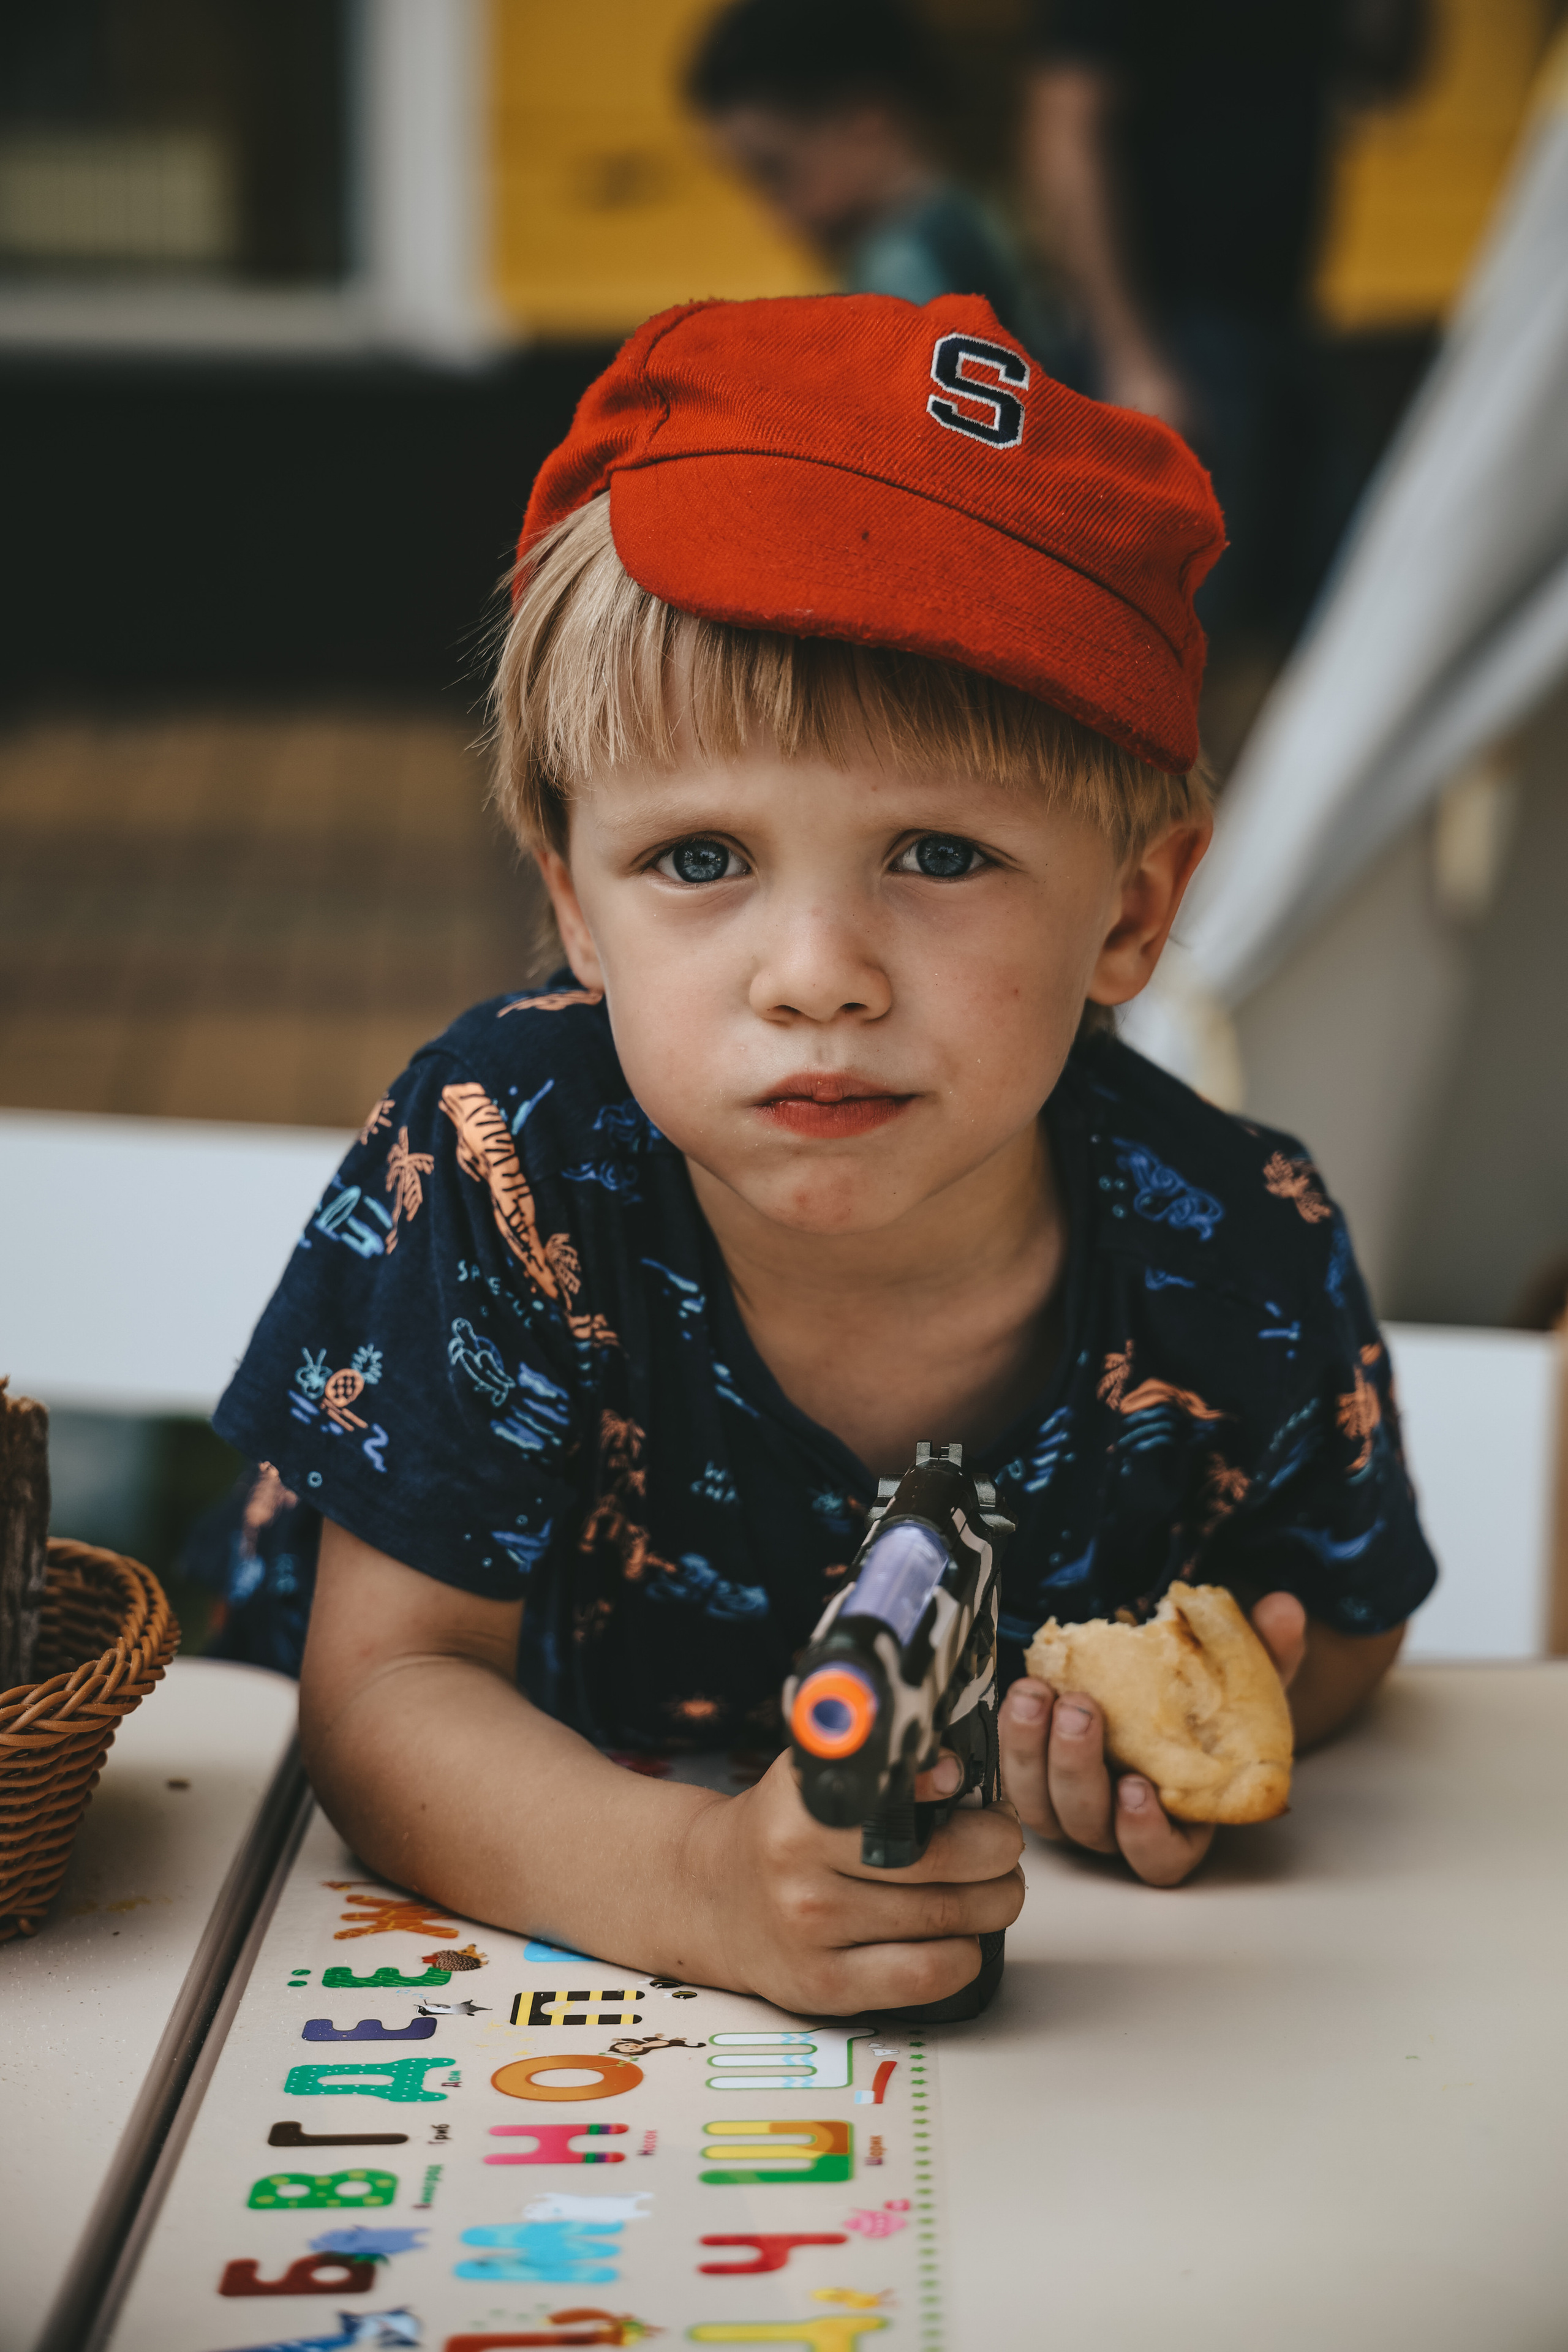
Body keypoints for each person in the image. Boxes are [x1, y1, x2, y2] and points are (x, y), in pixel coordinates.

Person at [210, 293, 1435, 2015]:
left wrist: (1205, 1732)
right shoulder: (510, 1159)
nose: (816, 975)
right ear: (573, 900)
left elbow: (1351, 1615)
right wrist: (706, 1888)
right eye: (700, 858)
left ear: (1133, 906)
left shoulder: (1235, 1243)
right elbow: (389, 1691)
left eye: (938, 851)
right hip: (324, 1968)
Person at [1024, 0, 1428, 638]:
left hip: (1285, 328)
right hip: (1175, 341)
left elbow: (1388, 70)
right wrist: (1130, 356)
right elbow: (1065, 133)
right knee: (1163, 641)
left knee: (1338, 620)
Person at [687, 0, 1036, 337]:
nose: (772, 219)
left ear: (865, 123)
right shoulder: (981, 222)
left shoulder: (904, 268)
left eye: (774, 173)